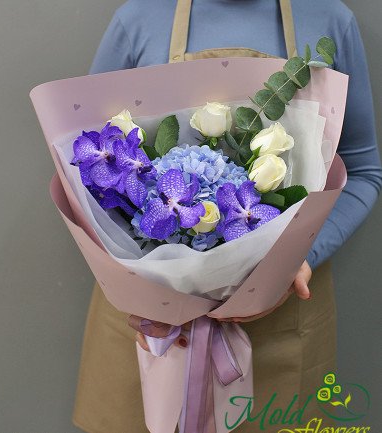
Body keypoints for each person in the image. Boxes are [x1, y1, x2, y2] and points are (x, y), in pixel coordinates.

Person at [72, 1, 382, 433]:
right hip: (149, 325)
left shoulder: (328, 18)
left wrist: (299, 259)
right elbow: (86, 165)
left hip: (282, 313)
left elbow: (365, 171)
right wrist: (143, 285)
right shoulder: (140, 19)